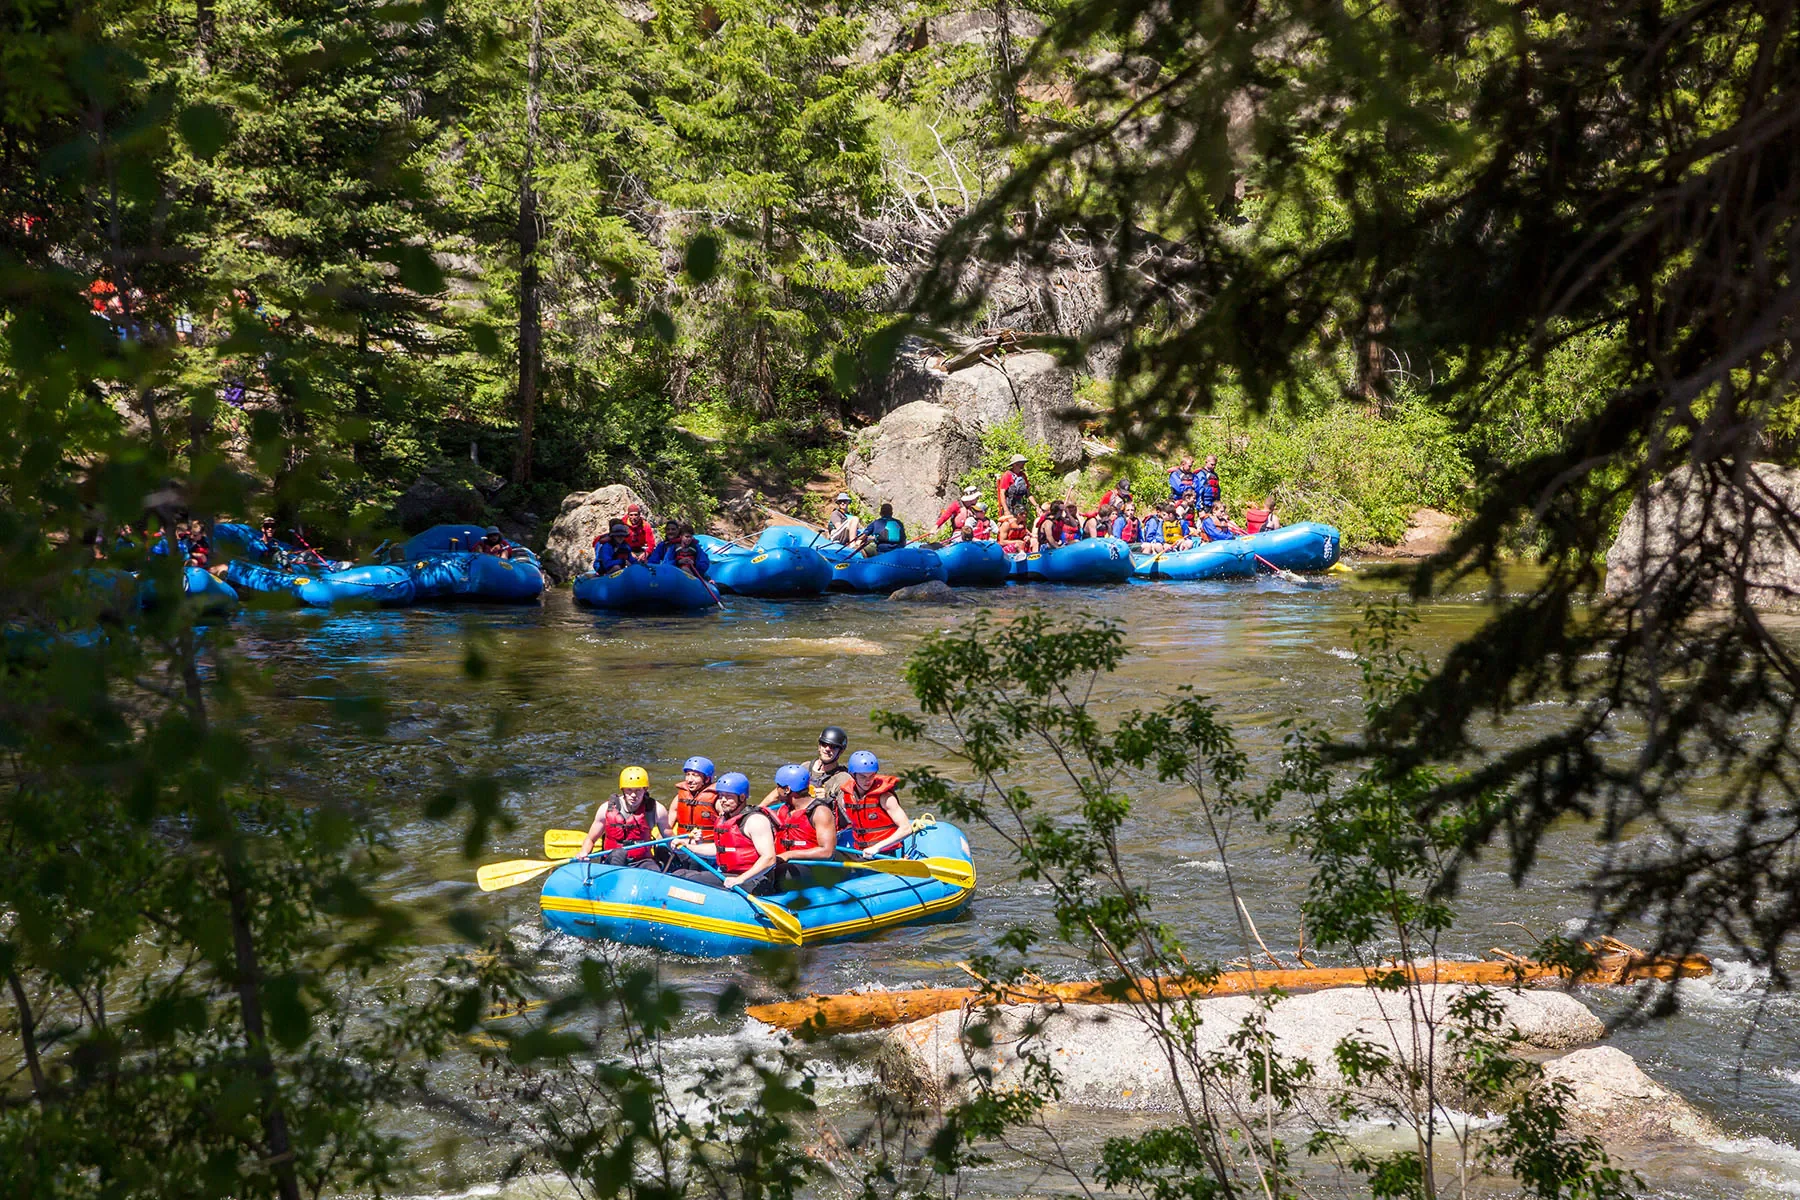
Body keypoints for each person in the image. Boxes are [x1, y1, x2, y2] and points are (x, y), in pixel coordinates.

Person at [669, 773, 780, 893]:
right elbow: (718, 849)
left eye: (728, 796)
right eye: (721, 796)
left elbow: (769, 858)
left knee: (687, 878)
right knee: (680, 874)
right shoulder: (724, 819)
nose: (723, 800)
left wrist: (740, 879)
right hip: (730, 876)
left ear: (742, 797)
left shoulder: (755, 821)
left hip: (754, 881)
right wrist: (689, 847)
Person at [576, 767, 672, 866]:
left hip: (642, 861)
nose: (634, 795)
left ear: (645, 789)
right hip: (613, 859)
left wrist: (676, 844)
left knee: (653, 869)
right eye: (629, 790)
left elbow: (669, 837)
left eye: (638, 790)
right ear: (623, 790)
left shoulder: (657, 810)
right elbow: (590, 839)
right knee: (619, 854)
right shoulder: (605, 809)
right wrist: (584, 852)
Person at [837, 751, 911, 855]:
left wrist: (876, 848)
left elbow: (906, 828)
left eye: (871, 776)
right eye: (863, 777)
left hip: (884, 853)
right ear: (853, 775)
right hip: (860, 852)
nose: (868, 781)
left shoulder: (885, 797)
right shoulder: (846, 797)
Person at [765, 763, 840, 866]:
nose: (777, 790)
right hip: (782, 862)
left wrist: (789, 855)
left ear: (787, 790)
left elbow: (827, 852)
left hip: (809, 867)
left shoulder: (820, 812)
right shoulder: (783, 809)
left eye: (779, 786)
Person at [670, 756, 719, 837]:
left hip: (706, 845)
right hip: (682, 843)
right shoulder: (679, 797)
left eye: (695, 775)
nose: (689, 780)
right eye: (687, 774)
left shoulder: (717, 800)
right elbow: (668, 825)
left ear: (706, 779)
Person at [810, 726, 853, 808]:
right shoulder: (805, 767)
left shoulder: (843, 779)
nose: (827, 749)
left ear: (841, 751)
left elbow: (846, 812)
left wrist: (828, 799)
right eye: (824, 744)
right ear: (819, 746)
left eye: (833, 746)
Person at [996, 454, 1037, 521]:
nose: (1023, 464)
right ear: (1015, 464)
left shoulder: (1022, 475)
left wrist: (1036, 506)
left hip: (1020, 506)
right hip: (1010, 506)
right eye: (1021, 462)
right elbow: (1002, 493)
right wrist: (1006, 510)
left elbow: (1028, 493)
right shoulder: (1007, 475)